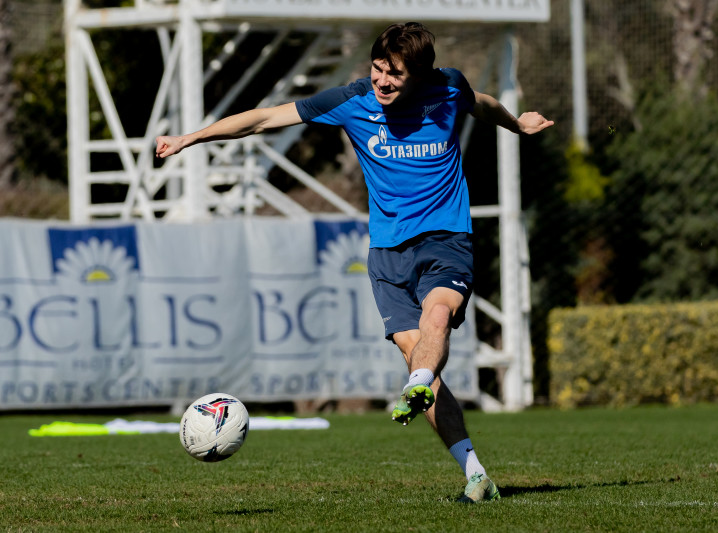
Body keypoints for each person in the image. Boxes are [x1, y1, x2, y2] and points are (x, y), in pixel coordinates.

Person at [156, 22, 553, 503]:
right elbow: (263, 119)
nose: (383, 81)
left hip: (446, 239)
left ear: (421, 75)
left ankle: (420, 383)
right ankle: (475, 473)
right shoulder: (352, 101)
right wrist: (190, 139)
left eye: (396, 74)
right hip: (386, 254)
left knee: (437, 317)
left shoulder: (448, 87)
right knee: (419, 362)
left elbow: (482, 103)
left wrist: (516, 123)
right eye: (378, 68)